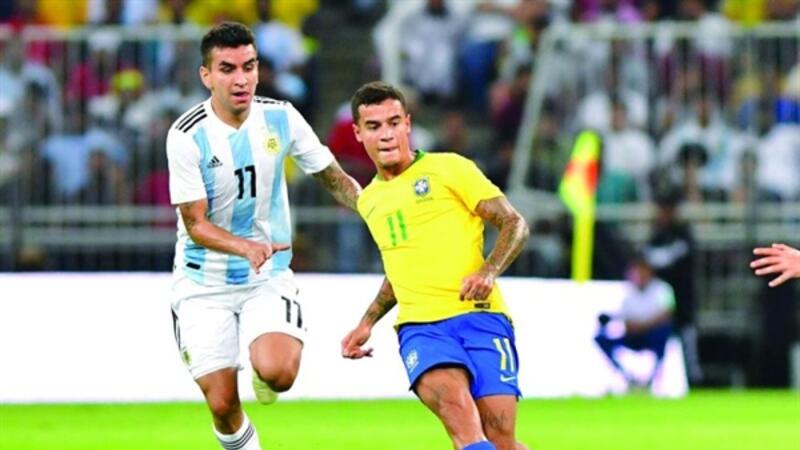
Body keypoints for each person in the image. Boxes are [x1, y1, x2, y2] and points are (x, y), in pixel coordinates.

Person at [166, 22, 360, 450]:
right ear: (206, 75)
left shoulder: (281, 117)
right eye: (228, 69)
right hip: (203, 282)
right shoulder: (186, 135)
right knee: (222, 405)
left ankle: (261, 368)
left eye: (249, 67)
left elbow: (332, 177)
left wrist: (372, 207)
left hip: (266, 275)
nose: (241, 79)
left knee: (279, 374)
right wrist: (244, 247)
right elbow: (195, 223)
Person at [340, 81, 530, 450]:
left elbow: (514, 223)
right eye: (374, 126)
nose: (386, 135)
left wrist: (488, 271)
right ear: (358, 132)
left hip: (482, 317)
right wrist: (367, 322)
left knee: (500, 439)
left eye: (394, 123)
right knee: (461, 418)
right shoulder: (371, 200)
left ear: (408, 124)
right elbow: (400, 269)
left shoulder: (450, 168)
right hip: (422, 329)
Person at [594, 254, 675, 389]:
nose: (639, 276)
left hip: (652, 333)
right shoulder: (625, 290)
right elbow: (619, 315)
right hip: (632, 333)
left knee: (663, 332)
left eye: (642, 272)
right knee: (601, 338)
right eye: (636, 272)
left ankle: (653, 379)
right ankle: (626, 377)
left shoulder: (662, 288)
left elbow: (667, 313)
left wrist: (643, 326)